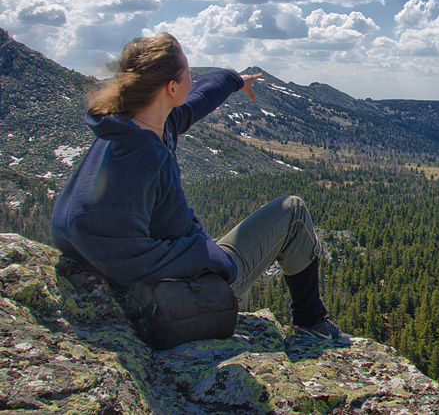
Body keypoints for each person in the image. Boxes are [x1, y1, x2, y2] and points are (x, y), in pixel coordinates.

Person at [50, 33, 346, 343]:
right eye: (188, 72)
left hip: (174, 262)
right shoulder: (141, 155)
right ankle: (312, 323)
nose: (193, 79)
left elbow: (201, 96)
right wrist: (210, 259)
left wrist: (235, 80)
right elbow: (82, 229)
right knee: (293, 210)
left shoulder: (133, 123)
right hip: (177, 291)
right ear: (172, 87)